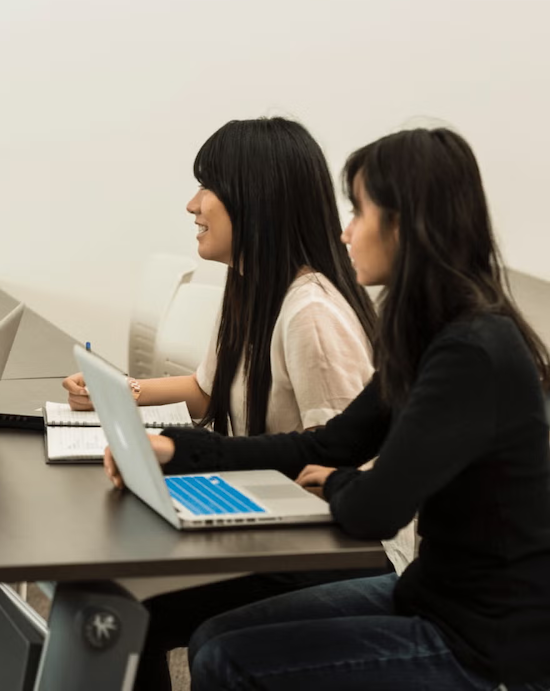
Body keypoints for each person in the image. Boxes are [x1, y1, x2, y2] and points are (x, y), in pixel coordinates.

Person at [106, 127, 550, 690]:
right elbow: (329, 443)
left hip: (485, 647)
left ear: (404, 224)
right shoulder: (426, 334)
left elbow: (374, 508)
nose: (344, 233)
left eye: (359, 213)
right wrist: (180, 449)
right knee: (211, 637)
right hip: (432, 598)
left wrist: (337, 482)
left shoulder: (471, 352)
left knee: (228, 661)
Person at [66, 117, 385, 689]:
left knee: (127, 606)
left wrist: (204, 471)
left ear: (254, 198)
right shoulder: (251, 285)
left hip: (313, 547)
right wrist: (119, 393)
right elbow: (206, 390)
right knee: (116, 597)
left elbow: (335, 460)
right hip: (266, 518)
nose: (192, 204)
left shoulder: (310, 314)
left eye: (206, 186)